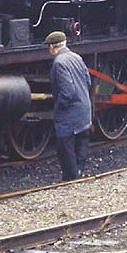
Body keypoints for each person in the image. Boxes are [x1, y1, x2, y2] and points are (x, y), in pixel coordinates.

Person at [46, 30, 92, 180]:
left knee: (65, 149)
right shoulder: (76, 57)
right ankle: (79, 174)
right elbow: (88, 81)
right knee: (82, 143)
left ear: (53, 47)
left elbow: (68, 91)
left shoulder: (59, 63)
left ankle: (71, 180)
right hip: (84, 109)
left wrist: (58, 108)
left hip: (69, 113)